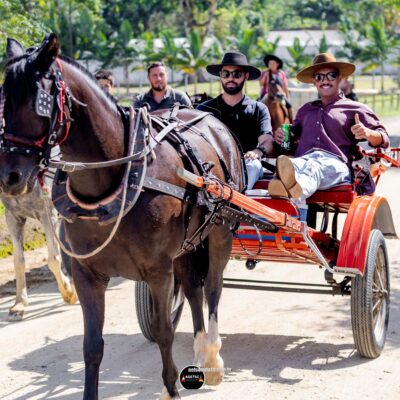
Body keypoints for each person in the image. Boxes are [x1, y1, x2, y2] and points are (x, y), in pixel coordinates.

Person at [270, 53, 389, 219]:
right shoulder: (306, 110)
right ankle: (287, 202)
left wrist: (368, 133)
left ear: (340, 78)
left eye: (331, 75)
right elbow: (291, 134)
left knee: (311, 169)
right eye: (319, 77)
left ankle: (294, 194)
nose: (325, 80)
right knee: (285, 167)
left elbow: (383, 138)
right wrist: (282, 134)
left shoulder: (354, 108)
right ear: (314, 81)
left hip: (336, 164)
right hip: (304, 160)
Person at [197, 51, 273, 190]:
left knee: (253, 165)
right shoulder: (204, 109)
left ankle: (234, 201)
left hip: (246, 165)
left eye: (237, 74)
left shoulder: (259, 109)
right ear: (220, 76)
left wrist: (258, 151)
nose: (230, 78)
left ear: (246, 76)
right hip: (212, 167)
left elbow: (267, 140)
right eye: (226, 74)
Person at [259, 54, 293, 121]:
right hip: (267, 94)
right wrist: (265, 76)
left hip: (279, 94)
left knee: (289, 105)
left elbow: (285, 86)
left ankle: (291, 121)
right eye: (270, 64)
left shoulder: (281, 73)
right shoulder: (265, 73)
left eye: (273, 63)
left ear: (277, 64)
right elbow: (261, 84)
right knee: (258, 106)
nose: (271, 65)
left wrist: (286, 96)